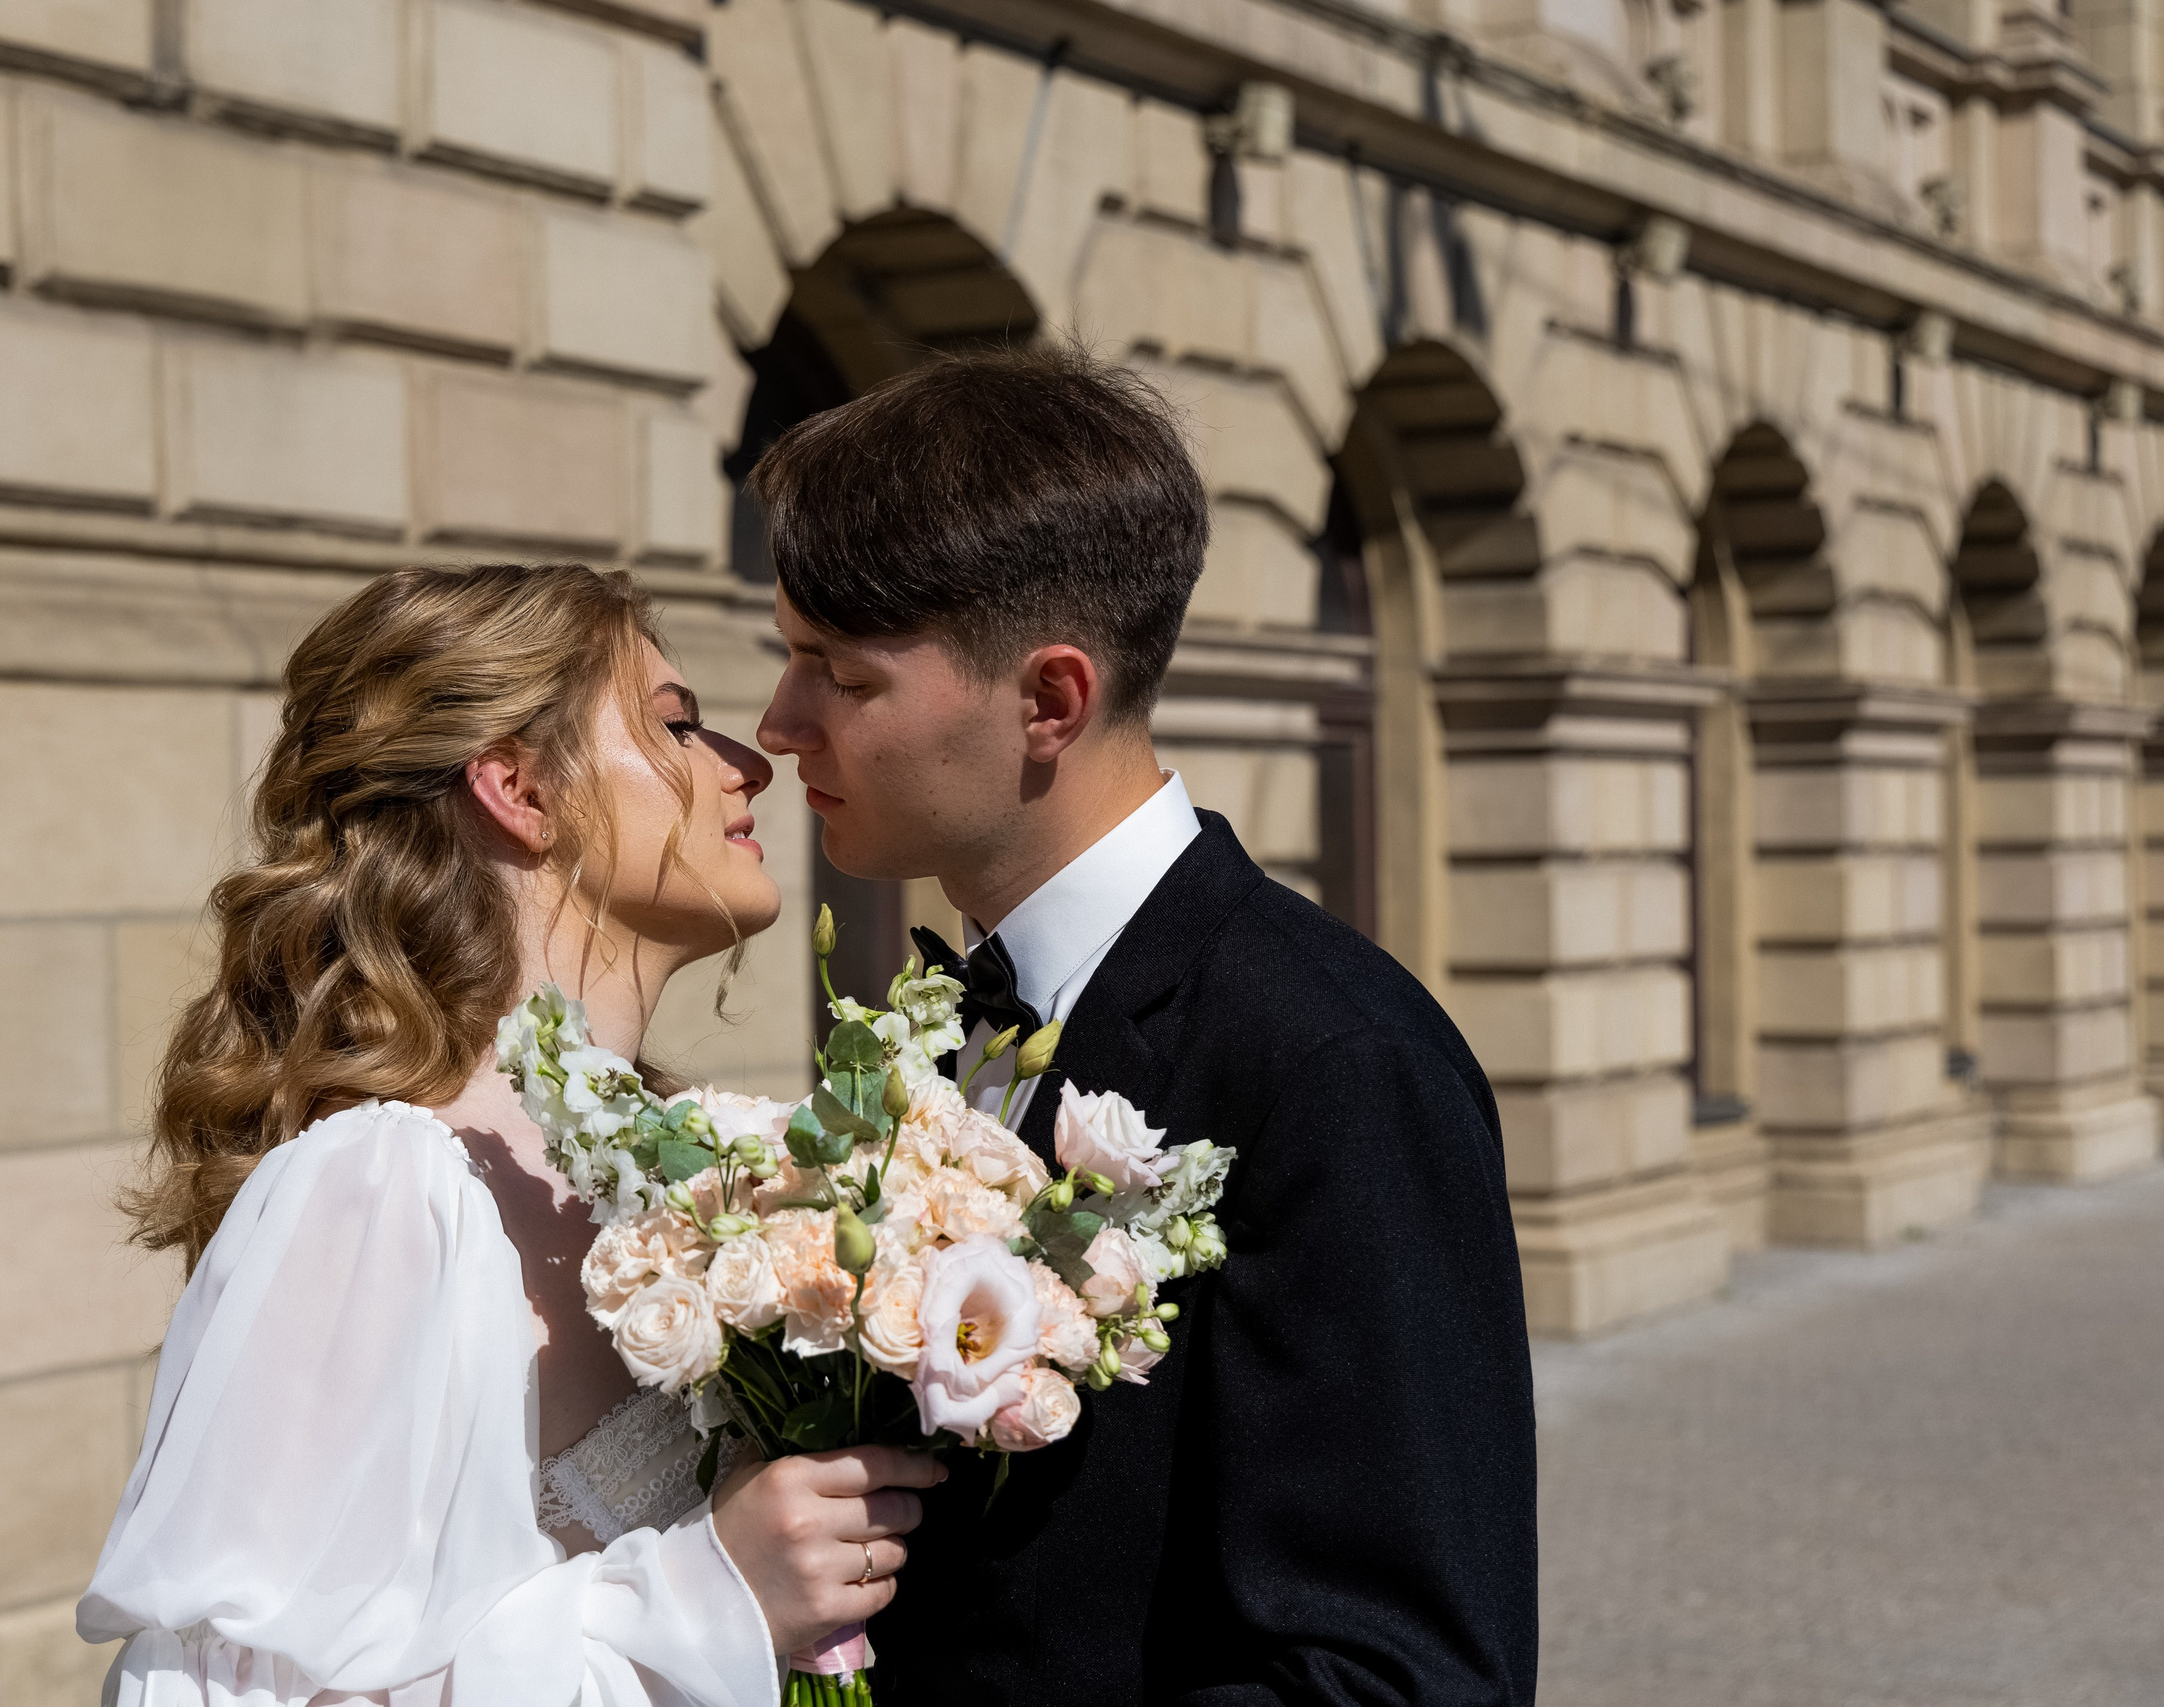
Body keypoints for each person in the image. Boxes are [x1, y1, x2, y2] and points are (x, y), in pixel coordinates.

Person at [752, 348, 1540, 1705]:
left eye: (841, 673)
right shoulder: (938, 1035)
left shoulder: (1334, 1060)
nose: (778, 723)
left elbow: (1396, 1676)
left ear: (1050, 698)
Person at [79, 564, 941, 1707]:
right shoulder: (378, 1183)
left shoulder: (692, 1187)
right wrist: (702, 1602)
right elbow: (235, 1693)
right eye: (675, 724)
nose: (748, 763)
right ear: (519, 789)